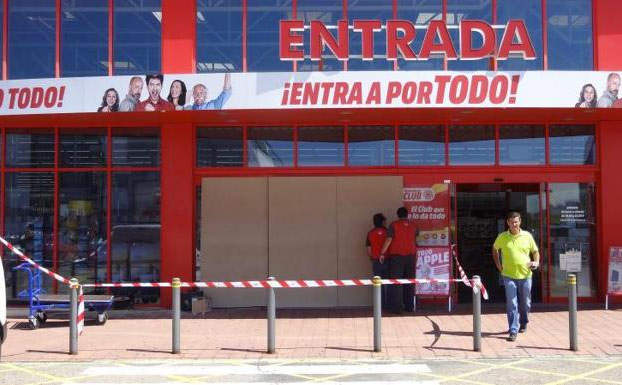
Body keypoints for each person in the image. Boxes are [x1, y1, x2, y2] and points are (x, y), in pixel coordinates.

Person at [492, 211, 540, 342]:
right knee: (512, 303)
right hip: (508, 275)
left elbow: (535, 252)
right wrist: (498, 265)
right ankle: (513, 330)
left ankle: (523, 321)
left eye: (516, 221)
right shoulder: (502, 237)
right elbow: (495, 249)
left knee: (525, 302)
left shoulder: (527, 236)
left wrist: (536, 262)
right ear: (508, 223)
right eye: (512, 222)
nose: (514, 224)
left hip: (525, 275)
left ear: (520, 222)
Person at [380, 207, 416, 314]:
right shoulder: (414, 226)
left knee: (396, 282)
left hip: (397, 257)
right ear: (407, 214)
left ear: (398, 215)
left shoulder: (393, 225)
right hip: (411, 256)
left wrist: (382, 253)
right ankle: (409, 306)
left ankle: (397, 308)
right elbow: (415, 239)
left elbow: (389, 239)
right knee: (410, 282)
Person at [366, 213, 388, 307]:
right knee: (390, 283)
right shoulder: (388, 232)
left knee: (378, 284)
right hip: (388, 259)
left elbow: (368, 248)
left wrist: (371, 257)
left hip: (376, 260)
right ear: (383, 222)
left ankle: (380, 305)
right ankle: (390, 304)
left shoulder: (370, 233)